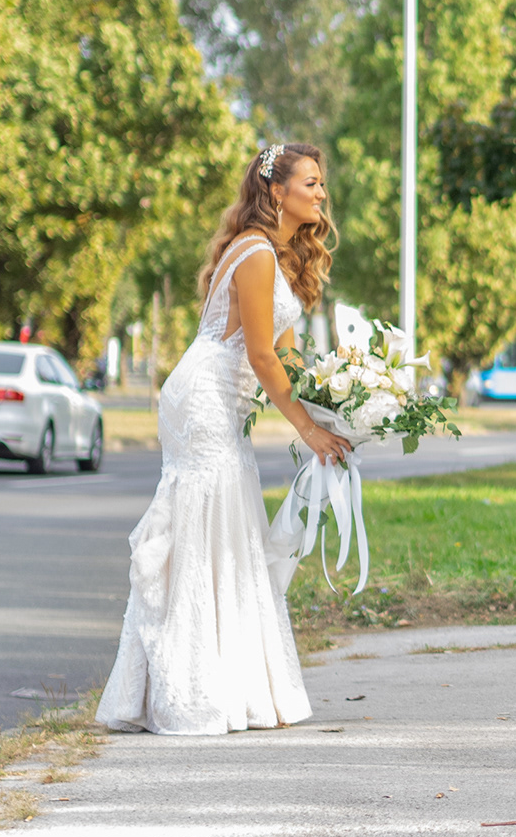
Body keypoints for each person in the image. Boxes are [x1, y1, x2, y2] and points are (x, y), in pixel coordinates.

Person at [97, 144, 352, 735]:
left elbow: (288, 357)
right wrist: (307, 429)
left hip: (218, 402)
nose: (321, 193)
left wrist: (340, 403)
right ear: (277, 191)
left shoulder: (273, 254)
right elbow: (262, 358)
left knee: (226, 530)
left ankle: (223, 684)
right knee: (208, 531)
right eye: (311, 183)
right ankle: (188, 694)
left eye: (321, 184)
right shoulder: (256, 253)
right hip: (205, 402)